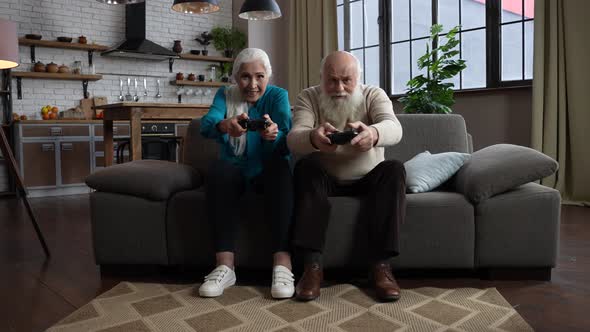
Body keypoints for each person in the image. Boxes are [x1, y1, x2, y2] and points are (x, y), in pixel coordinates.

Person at [286, 51, 406, 302]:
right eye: (331, 81)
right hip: (325, 178)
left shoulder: (374, 94)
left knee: (394, 169)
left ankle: (381, 267)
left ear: (358, 78)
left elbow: (394, 128)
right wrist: (313, 137)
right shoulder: (308, 97)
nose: (338, 88)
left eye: (346, 80)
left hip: (369, 177)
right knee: (305, 167)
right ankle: (312, 268)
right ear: (321, 79)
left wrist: (373, 133)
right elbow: (294, 137)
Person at [198, 48, 294, 299]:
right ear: (235, 77)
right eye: (245, 77)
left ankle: (283, 265)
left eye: (260, 76)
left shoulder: (278, 96)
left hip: (267, 169)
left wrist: (273, 135)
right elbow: (207, 124)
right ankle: (225, 267)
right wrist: (224, 125)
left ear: (268, 77)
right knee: (219, 171)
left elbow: (288, 140)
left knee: (281, 169)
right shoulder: (225, 94)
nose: (253, 84)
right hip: (234, 170)